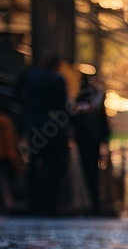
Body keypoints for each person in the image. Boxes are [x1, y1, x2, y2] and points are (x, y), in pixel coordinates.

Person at [15, 53, 69, 215]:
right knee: (52, 167)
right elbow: (62, 105)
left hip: (32, 125)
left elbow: (17, 96)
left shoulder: (28, 76)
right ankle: (48, 205)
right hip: (51, 128)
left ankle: (33, 203)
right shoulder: (57, 79)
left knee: (33, 164)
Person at [70, 72, 110, 214]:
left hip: (90, 137)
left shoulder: (94, 94)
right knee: (90, 170)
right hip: (89, 136)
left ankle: (94, 203)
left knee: (91, 170)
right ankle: (93, 203)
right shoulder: (91, 94)